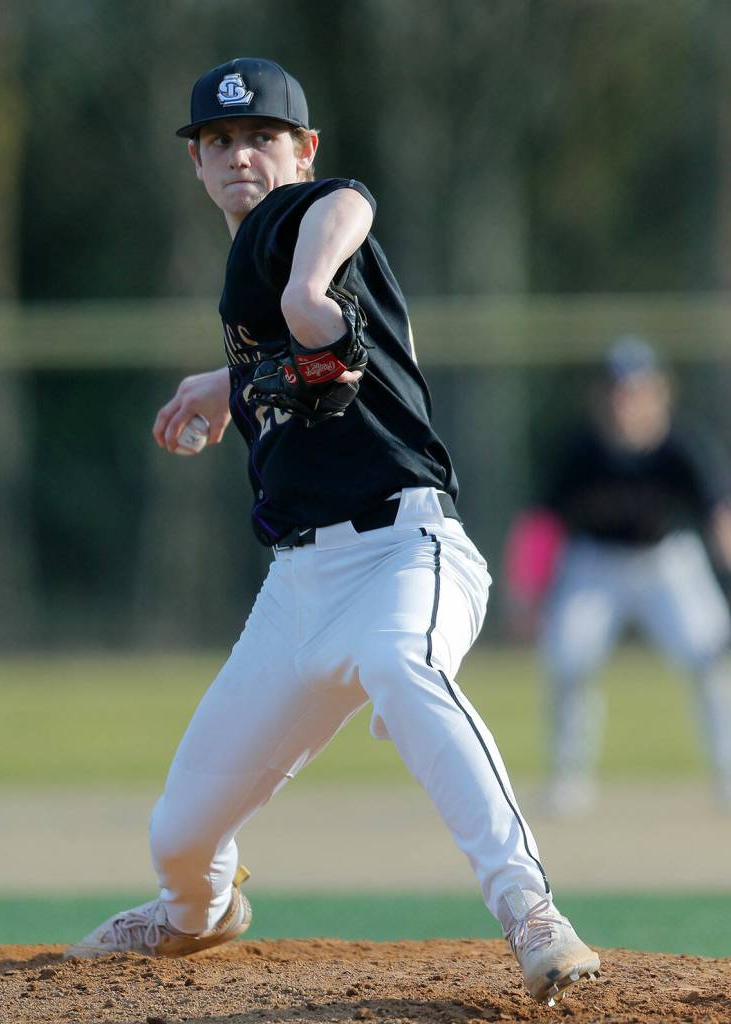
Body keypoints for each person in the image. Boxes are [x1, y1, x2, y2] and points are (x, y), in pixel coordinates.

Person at [66, 57, 600, 1006]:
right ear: (196, 166)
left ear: (303, 150)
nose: (239, 155)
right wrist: (226, 384)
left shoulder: (311, 222)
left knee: (404, 665)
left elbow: (345, 207)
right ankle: (200, 911)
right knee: (179, 837)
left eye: (263, 136)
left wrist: (313, 289)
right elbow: (298, 368)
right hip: (297, 590)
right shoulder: (244, 274)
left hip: (406, 553)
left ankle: (533, 914)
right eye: (218, 142)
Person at [507, 337, 731, 817]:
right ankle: (568, 780)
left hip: (666, 563)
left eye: (635, 389)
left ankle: (728, 774)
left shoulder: (682, 446)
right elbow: (542, 524)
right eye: (616, 389)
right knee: (567, 660)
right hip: (594, 564)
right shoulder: (578, 449)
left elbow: (719, 518)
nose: (624, 400)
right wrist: (526, 592)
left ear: (659, 392)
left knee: (708, 656)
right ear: (601, 395)